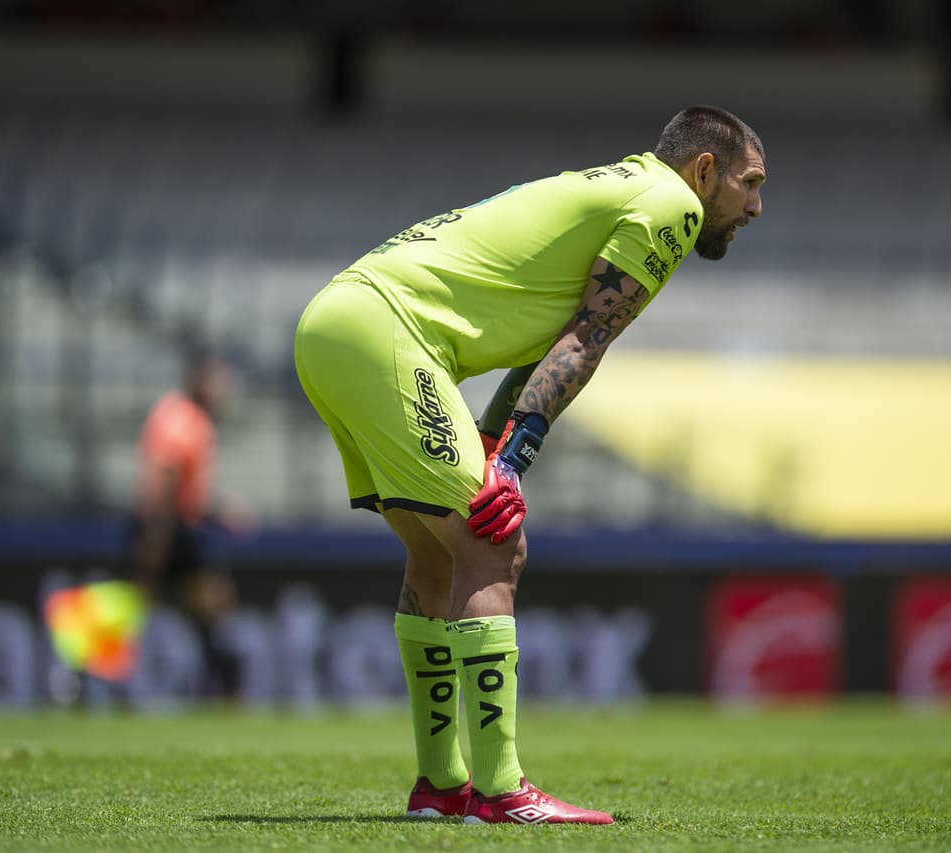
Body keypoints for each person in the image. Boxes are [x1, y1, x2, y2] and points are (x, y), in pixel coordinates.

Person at [294, 106, 765, 824]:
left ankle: (442, 784)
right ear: (704, 171)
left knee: (438, 553)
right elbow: (587, 338)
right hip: (387, 330)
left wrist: (493, 437)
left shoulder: (621, 190)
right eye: (749, 183)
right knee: (493, 539)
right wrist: (512, 457)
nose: (756, 207)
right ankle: (502, 790)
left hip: (336, 323)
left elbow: (546, 343)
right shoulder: (669, 203)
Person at [126, 348, 250, 696]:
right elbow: (166, 480)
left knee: (201, 608)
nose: (223, 391)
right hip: (168, 529)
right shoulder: (182, 419)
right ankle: (225, 691)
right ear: (198, 381)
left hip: (174, 525)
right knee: (208, 605)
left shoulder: (184, 416)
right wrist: (156, 540)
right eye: (217, 382)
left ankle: (218, 688)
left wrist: (218, 509)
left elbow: (183, 488)